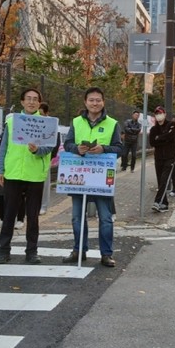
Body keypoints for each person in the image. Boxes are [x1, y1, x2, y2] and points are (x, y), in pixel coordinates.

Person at [61, 87, 122, 267]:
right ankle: (79, 250)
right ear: (85, 102)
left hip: (101, 178)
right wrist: (76, 149)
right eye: (91, 100)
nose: (95, 103)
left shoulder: (113, 124)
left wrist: (104, 149)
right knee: (77, 217)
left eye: (98, 100)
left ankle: (106, 254)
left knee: (105, 218)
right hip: (80, 176)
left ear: (103, 102)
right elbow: (67, 144)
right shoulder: (76, 122)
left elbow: (119, 148)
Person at [0, 88, 52, 265]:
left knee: (33, 216)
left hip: (35, 175)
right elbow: (4, 147)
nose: (31, 102)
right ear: (22, 102)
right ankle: (3, 250)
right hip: (13, 173)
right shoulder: (12, 121)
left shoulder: (46, 123)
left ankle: (32, 251)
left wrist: (37, 150)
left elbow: (50, 147)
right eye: (28, 98)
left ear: (39, 103)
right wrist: (0, 169)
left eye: (35, 99)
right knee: (9, 214)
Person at [149, 105, 175, 212]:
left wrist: (159, 138)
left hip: (170, 157)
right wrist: (163, 139)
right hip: (159, 157)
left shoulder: (171, 124)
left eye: (160, 113)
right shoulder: (154, 129)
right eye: (157, 113)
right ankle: (164, 204)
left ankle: (157, 201)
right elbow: (152, 142)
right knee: (160, 181)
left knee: (164, 179)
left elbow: (170, 136)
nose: (159, 115)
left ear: (164, 114)